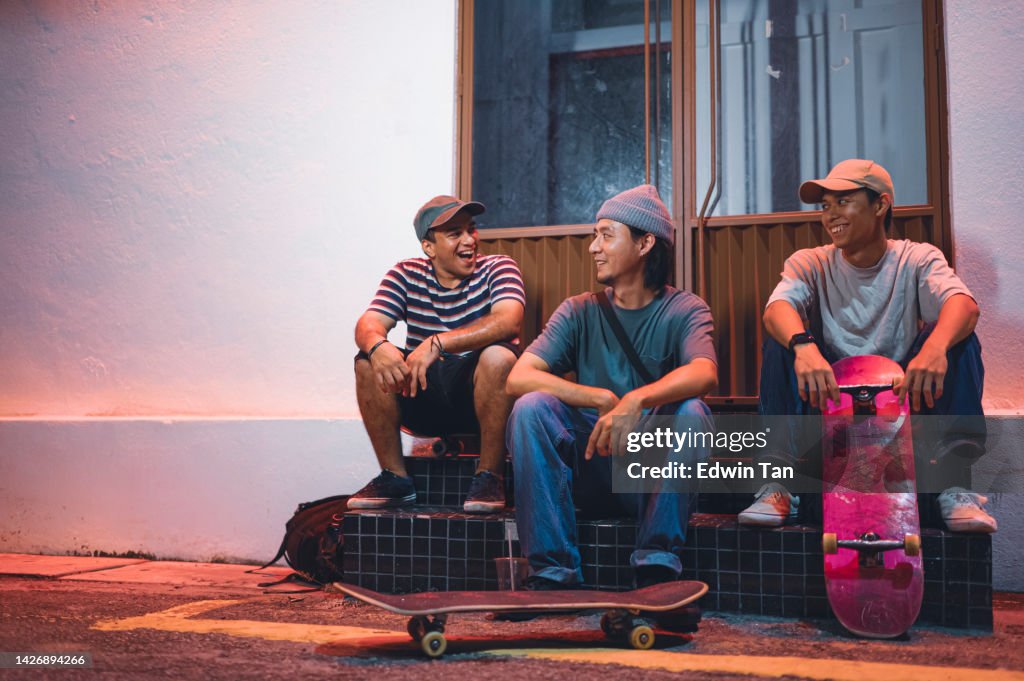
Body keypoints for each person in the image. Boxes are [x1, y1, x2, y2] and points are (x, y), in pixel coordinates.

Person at [738, 159, 996, 533]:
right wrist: (804, 346)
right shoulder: (811, 262)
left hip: (903, 401)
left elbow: (965, 306)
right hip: (831, 403)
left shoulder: (915, 257)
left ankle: (955, 484)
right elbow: (777, 309)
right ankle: (779, 486)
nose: (830, 215)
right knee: (783, 343)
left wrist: (935, 346)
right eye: (825, 205)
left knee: (958, 339)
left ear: (880, 205)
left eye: (843, 201)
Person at [506, 184, 719, 589]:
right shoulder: (579, 310)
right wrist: (599, 398)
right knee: (531, 406)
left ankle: (656, 566)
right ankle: (553, 571)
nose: (594, 247)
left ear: (644, 243)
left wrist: (637, 400)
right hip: (591, 466)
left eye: (607, 234)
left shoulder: (685, 309)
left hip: (650, 478)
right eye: (594, 235)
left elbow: (704, 373)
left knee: (693, 411)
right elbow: (519, 376)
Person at [350, 195, 525, 513]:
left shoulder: (498, 267)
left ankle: (489, 476)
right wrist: (379, 347)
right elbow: (368, 323)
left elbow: (508, 319)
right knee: (366, 361)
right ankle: (395, 478)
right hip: (423, 394)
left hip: (478, 399)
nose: (469, 240)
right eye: (454, 233)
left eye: (471, 230)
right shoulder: (406, 273)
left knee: (499, 357)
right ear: (428, 247)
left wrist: (437, 343)